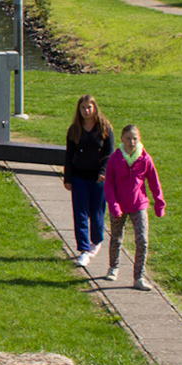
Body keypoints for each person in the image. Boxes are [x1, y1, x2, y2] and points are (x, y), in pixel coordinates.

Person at [101, 124, 164, 288]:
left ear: (139, 139)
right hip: (119, 206)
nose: (132, 142)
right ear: (122, 139)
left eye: (135, 138)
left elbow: (154, 182)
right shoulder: (115, 159)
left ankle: (138, 277)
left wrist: (159, 203)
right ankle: (113, 267)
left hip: (139, 205)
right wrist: (114, 206)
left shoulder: (145, 158)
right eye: (128, 138)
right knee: (116, 238)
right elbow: (108, 185)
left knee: (142, 240)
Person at [63, 95, 114, 268]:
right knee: (80, 212)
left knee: (97, 211)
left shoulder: (104, 128)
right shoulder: (74, 130)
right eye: (83, 108)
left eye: (89, 107)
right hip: (79, 176)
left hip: (98, 178)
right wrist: (68, 177)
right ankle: (84, 249)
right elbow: (69, 155)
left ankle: (96, 240)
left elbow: (109, 154)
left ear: (95, 108)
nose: (86, 111)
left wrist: (103, 172)